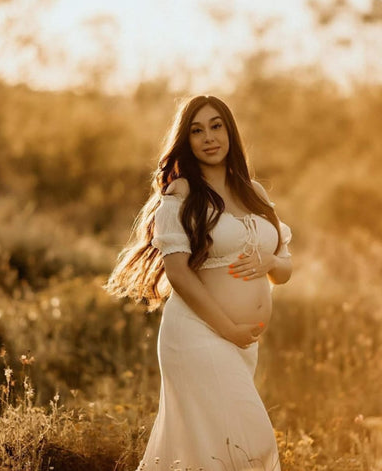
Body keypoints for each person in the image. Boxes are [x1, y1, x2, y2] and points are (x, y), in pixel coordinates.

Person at [103, 95, 293, 471]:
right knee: (250, 442)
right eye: (196, 130)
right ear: (186, 141)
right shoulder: (183, 193)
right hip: (196, 333)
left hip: (240, 344)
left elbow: (284, 270)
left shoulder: (255, 194)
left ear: (230, 132)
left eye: (216, 125)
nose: (209, 137)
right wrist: (228, 328)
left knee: (207, 449)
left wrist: (271, 260)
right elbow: (177, 273)